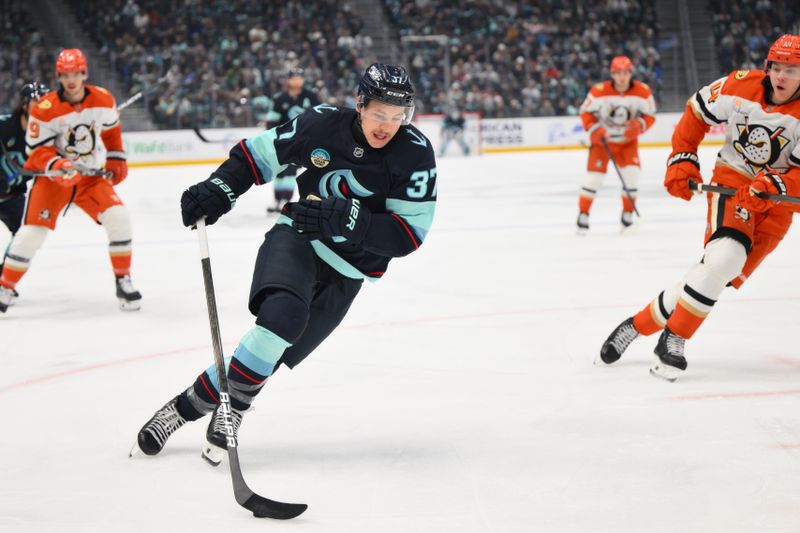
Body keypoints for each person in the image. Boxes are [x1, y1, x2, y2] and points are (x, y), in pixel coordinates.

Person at [133, 63, 437, 464]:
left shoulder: (415, 153)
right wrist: (220, 188)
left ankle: (181, 409)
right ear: (361, 104)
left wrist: (351, 220)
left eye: (398, 117)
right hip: (299, 237)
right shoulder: (321, 124)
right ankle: (235, 410)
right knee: (281, 320)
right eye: (380, 113)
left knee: (264, 357)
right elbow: (256, 157)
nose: (387, 125)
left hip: (350, 272)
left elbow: (408, 234)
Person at [597, 34, 800, 381]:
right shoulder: (740, 85)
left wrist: (774, 184)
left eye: (791, 70)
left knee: (714, 276)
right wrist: (682, 156)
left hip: (775, 204)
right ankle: (673, 340)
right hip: (732, 182)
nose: (780, 76)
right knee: (726, 257)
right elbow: (696, 110)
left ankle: (636, 325)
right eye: (776, 68)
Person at [0, 48, 141, 313]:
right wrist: (59, 164)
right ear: (59, 76)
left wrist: (116, 160)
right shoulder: (44, 109)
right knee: (31, 233)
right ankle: (4, 286)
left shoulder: (103, 99)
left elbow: (111, 132)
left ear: (84, 72)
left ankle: (124, 280)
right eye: (65, 74)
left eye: (76, 73)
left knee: (119, 217)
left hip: (88, 178)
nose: (71, 79)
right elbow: (36, 152)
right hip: (54, 180)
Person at [577, 55, 656, 233]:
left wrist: (639, 125)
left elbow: (650, 115)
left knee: (632, 176)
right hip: (602, 143)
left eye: (625, 72)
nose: (622, 77)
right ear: (612, 73)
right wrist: (594, 129)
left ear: (631, 73)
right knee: (594, 179)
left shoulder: (643, 92)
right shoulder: (598, 91)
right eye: (618, 73)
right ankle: (583, 214)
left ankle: (627, 214)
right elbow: (585, 112)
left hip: (627, 143)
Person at [0, 82, 50, 308]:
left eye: (46, 103)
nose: (42, 107)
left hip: (13, 197)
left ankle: (3, 278)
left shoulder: (48, 136)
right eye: (37, 102)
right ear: (24, 104)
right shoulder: (5, 127)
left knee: (24, 235)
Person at [265, 67, 319, 213]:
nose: (296, 80)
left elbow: (320, 117)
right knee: (280, 172)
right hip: (283, 141)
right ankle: (277, 201)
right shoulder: (280, 98)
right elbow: (271, 121)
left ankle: (285, 202)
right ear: (288, 80)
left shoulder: (311, 96)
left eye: (299, 77)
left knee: (290, 172)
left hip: (302, 143)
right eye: (293, 77)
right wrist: (272, 139)